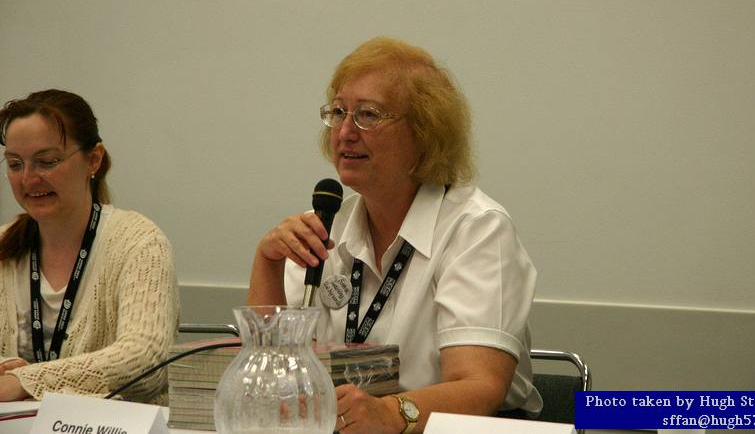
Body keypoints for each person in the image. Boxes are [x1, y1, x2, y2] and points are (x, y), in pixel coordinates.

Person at [247, 37, 540, 433]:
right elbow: (269, 374)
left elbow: (480, 387)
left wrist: (390, 413)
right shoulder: (324, 226)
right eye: (338, 112)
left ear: (424, 132)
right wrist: (268, 264)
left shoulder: (476, 228)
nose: (345, 131)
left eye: (368, 115)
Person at [0, 89, 178, 403]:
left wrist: (25, 381)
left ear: (93, 160)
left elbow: (145, 361)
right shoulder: (4, 244)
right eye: (15, 165)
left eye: (47, 162)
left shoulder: (139, 242)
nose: (28, 180)